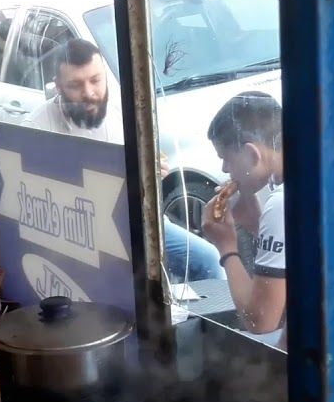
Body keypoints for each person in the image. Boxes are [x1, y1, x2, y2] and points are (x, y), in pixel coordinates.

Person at [24, 38, 225, 283]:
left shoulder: (125, 111)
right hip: (77, 235)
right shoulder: (36, 130)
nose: (89, 93)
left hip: (134, 221)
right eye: (76, 85)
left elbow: (140, 180)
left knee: (208, 260)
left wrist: (150, 174)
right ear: (58, 87)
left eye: (96, 80)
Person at [201, 92, 285, 342]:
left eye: (226, 158)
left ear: (252, 155)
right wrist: (258, 226)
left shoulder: (280, 204)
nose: (225, 169)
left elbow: (261, 320)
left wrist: (226, 247)